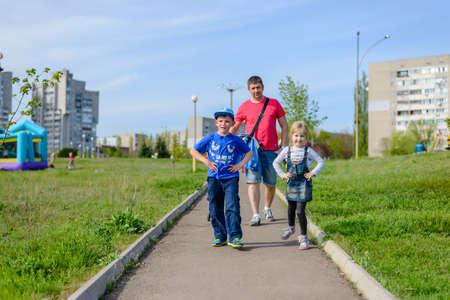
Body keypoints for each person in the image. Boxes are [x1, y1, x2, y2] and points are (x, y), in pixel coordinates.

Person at [190, 108, 253, 248]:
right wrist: (205, 161)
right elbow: (193, 150)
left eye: (227, 121)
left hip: (231, 178)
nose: (223, 124)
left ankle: (235, 237)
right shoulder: (210, 138)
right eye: (220, 121)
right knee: (215, 206)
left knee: (232, 206)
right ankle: (220, 236)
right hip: (214, 178)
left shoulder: (236, 140)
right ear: (216, 123)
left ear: (232, 123)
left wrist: (239, 165)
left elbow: (249, 153)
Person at [231, 75, 288, 226]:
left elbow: (284, 125)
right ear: (249, 90)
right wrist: (225, 140)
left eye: (258, 87)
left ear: (263, 87)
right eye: (253, 88)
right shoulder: (244, 106)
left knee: (270, 183)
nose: (256, 91)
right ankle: (255, 214)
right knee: (253, 182)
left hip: (271, 150)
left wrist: (282, 146)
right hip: (251, 151)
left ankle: (267, 208)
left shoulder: (273, 104)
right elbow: (236, 127)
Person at [273, 121, 324, 250]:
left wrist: (313, 172)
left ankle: (303, 237)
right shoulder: (286, 150)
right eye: (296, 136)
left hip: (303, 184)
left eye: (302, 136)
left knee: (300, 211)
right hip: (291, 183)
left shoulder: (309, 151)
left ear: (306, 138)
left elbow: (320, 161)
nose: (299, 139)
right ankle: (291, 228)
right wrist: (283, 175)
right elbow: (275, 163)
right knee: (290, 208)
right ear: (291, 136)